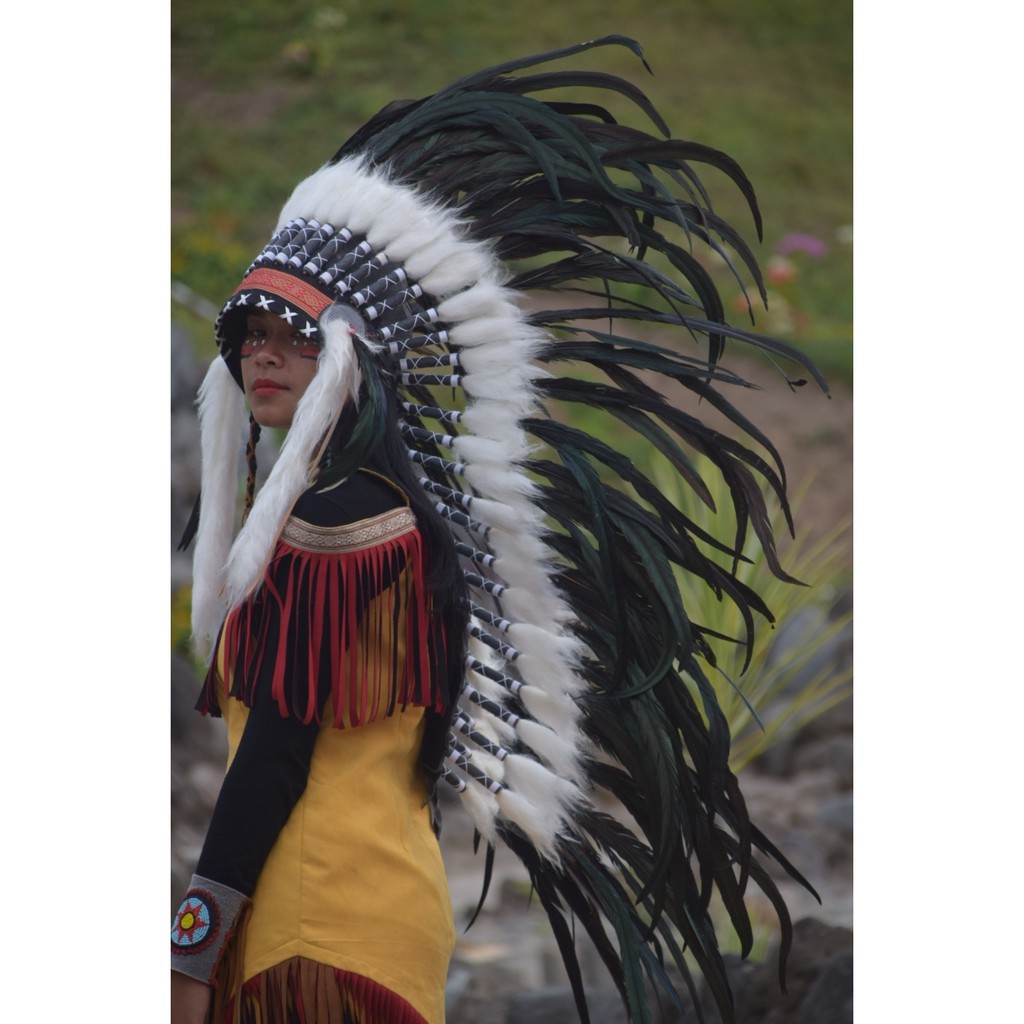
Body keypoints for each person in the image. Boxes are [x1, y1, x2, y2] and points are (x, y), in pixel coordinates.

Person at [173, 36, 826, 1024]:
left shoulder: (333, 521)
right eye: (247, 338)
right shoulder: (416, 510)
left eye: (293, 337)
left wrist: (192, 943)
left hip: (309, 933)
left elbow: (274, 755)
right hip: (391, 912)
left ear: (349, 358)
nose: (264, 358)